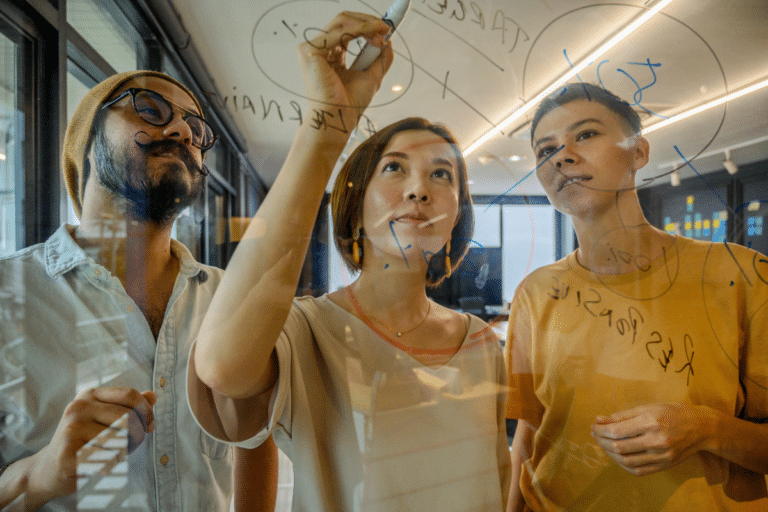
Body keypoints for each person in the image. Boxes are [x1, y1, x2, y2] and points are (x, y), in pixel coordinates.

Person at [187, 11, 511, 512]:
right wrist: (326, 129)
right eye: (394, 168)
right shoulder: (307, 332)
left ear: (455, 221)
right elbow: (222, 367)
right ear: (355, 209)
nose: (419, 189)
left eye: (442, 175)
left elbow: (495, 486)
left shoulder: (482, 343)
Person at [0, 70, 277, 510]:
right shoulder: (7, 296)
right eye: (150, 109)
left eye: (197, 129)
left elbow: (255, 443)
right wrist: (40, 473)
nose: (183, 131)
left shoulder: (232, 301)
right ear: (87, 138)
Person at [505, 82, 768, 511]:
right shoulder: (535, 293)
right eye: (545, 150)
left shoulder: (740, 275)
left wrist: (708, 429)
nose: (562, 156)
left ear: (638, 153)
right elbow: (531, 432)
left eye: (585, 135)